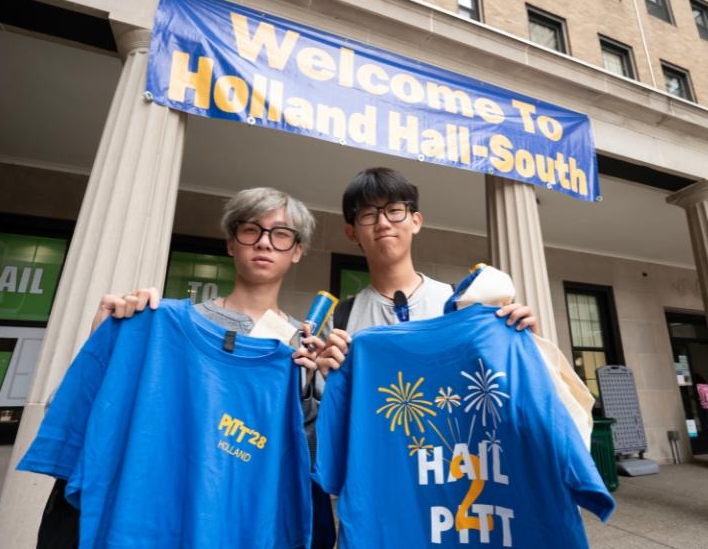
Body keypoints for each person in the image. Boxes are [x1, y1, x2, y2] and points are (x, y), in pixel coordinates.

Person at [36, 187, 335, 549]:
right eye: (251, 230)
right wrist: (108, 342)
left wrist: (316, 391)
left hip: (235, 522)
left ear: (298, 250)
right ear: (231, 243)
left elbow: (307, 465)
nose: (265, 243)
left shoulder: (301, 348)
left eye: (282, 234)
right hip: (156, 510)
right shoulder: (163, 320)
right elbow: (78, 411)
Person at [317, 167, 538, 376]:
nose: (383, 223)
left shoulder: (462, 303)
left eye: (394, 210)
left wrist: (528, 346)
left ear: (415, 221)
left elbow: (499, 380)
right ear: (351, 232)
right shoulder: (338, 321)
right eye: (367, 214)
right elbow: (320, 409)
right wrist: (326, 381)